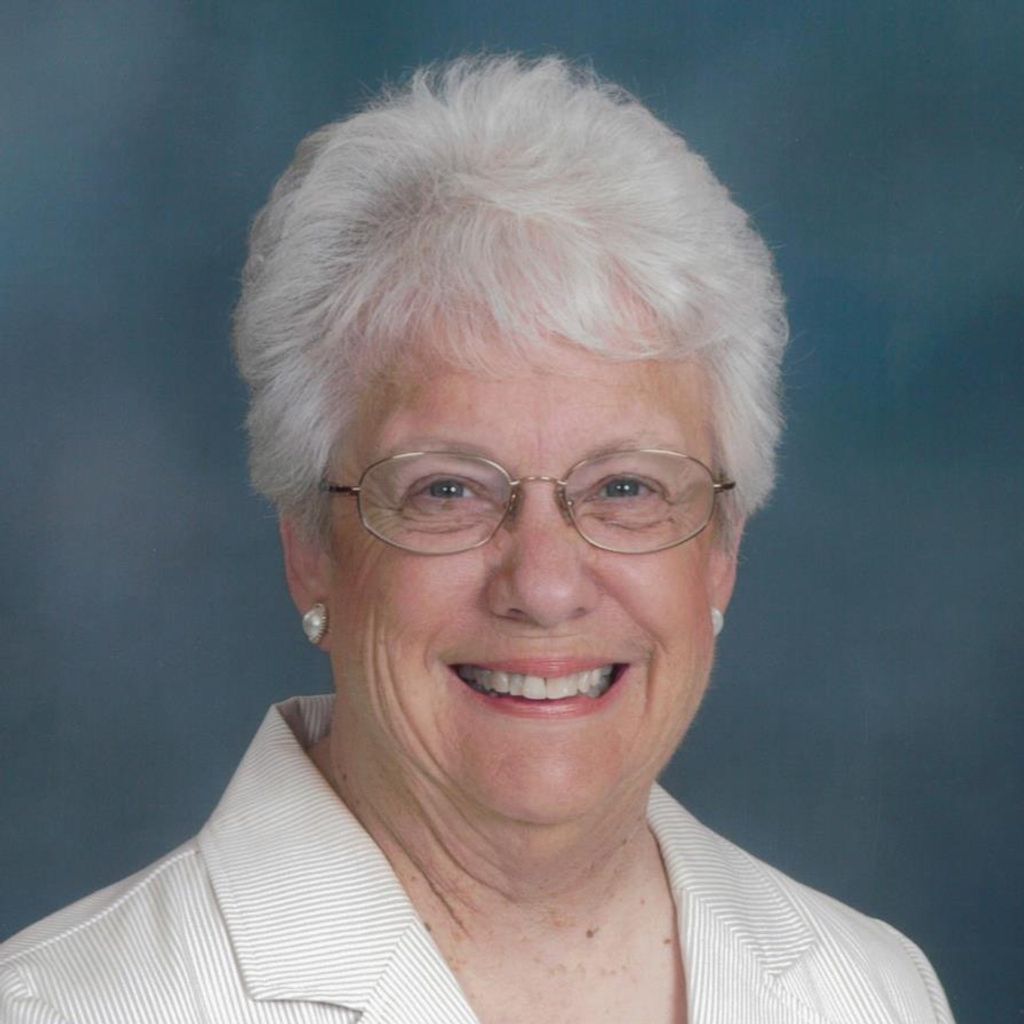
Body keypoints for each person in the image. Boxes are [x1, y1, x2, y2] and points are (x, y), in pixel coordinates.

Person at [0, 55, 954, 1023]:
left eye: (625, 488)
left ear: (720, 552)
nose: (543, 584)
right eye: (447, 490)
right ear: (310, 548)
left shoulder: (871, 990)